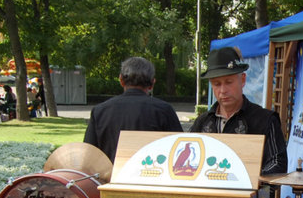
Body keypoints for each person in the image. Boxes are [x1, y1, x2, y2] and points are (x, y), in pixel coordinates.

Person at [190, 47, 288, 175]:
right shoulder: (202, 122)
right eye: (217, 84)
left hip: (252, 193)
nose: (223, 90)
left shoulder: (265, 120)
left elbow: (278, 163)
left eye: (229, 82)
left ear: (242, 80)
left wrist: (250, 180)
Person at [83, 56, 182, 161]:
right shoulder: (164, 110)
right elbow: (178, 150)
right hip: (152, 175)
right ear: (152, 83)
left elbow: (88, 154)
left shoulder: (100, 111)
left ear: (121, 80)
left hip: (110, 176)